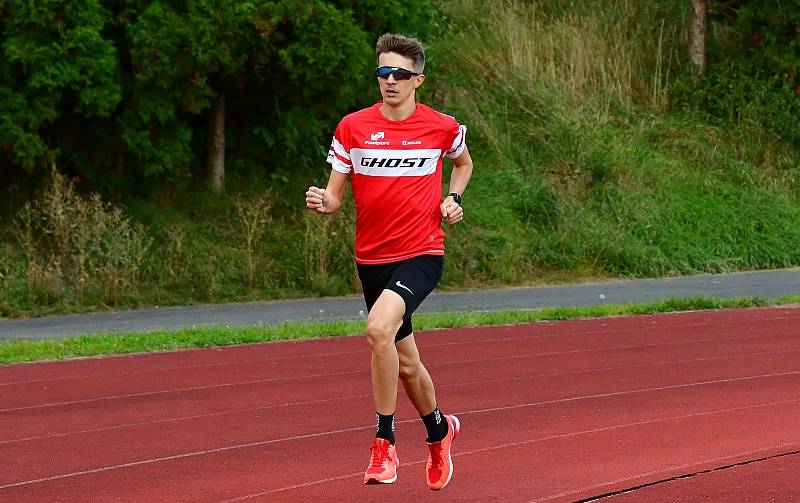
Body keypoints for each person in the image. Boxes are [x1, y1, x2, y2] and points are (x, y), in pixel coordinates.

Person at [305, 33, 473, 491]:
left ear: (419, 79)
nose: (390, 81)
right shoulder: (353, 128)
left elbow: (463, 163)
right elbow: (336, 197)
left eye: (400, 73)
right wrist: (324, 200)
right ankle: (440, 432)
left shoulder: (441, 127)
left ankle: (385, 443)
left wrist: (453, 198)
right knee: (405, 363)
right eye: (383, 72)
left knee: (378, 330)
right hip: (372, 260)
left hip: (421, 254)